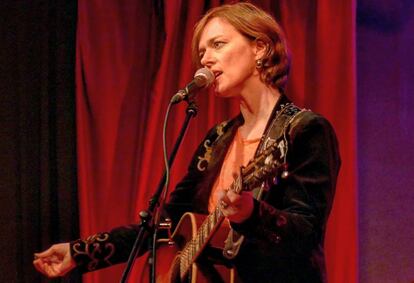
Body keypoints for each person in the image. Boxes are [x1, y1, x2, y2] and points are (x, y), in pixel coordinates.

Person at [33, 2, 340, 282]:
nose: (205, 59)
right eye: (202, 51)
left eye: (217, 45)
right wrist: (81, 252)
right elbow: (163, 224)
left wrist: (252, 214)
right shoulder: (217, 139)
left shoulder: (305, 129)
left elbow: (307, 233)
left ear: (259, 47)